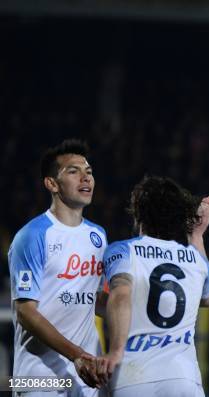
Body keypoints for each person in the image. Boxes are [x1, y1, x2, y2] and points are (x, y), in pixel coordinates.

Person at [94, 176, 209, 397]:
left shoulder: (123, 251)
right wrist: (196, 235)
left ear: (138, 212)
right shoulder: (195, 259)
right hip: (183, 378)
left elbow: (121, 296)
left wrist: (115, 352)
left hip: (134, 376)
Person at [8, 139, 106, 396]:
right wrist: (77, 355)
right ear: (52, 183)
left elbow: (91, 299)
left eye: (89, 171)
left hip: (86, 377)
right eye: (73, 171)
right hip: (38, 377)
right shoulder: (32, 235)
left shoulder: (98, 236)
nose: (86, 177)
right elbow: (25, 313)